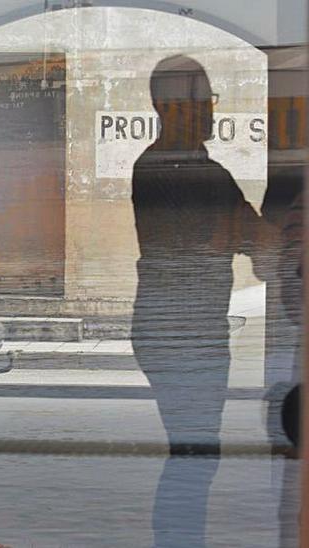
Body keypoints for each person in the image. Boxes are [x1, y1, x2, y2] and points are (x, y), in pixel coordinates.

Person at [131, 55, 271, 547]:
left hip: (191, 330)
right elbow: (221, 241)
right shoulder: (165, 169)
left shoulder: (205, 170)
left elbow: (253, 241)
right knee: (195, 456)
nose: (210, 111)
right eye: (200, 101)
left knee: (196, 455)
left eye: (210, 100)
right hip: (179, 335)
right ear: (168, 107)